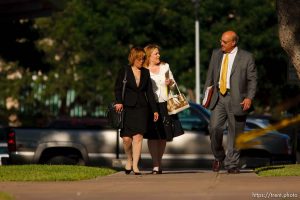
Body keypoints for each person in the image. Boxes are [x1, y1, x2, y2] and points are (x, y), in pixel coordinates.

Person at [203, 30, 257, 174]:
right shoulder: (216, 54)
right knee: (214, 128)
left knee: (235, 133)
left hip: (238, 99)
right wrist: (206, 95)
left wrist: (249, 97)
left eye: (225, 42)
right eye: (221, 41)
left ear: (233, 43)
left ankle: (232, 164)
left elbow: (252, 80)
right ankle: (219, 157)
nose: (221, 44)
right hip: (218, 97)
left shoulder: (247, 57)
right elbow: (210, 76)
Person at [114, 47, 159, 175]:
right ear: (133, 58)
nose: (142, 61)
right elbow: (117, 88)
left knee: (138, 137)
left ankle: (135, 166)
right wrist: (118, 101)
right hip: (127, 107)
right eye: (139, 58)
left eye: (143, 58)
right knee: (127, 139)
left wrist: (154, 110)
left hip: (142, 108)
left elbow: (149, 92)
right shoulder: (124, 71)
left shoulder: (146, 72)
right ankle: (129, 158)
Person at [143, 44, 184, 174]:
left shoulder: (165, 67)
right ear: (149, 56)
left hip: (165, 103)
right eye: (156, 54)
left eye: (158, 53)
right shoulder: (144, 69)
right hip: (151, 105)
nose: (158, 55)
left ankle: (158, 163)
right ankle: (155, 164)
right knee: (152, 135)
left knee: (163, 135)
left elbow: (173, 83)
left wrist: (170, 82)